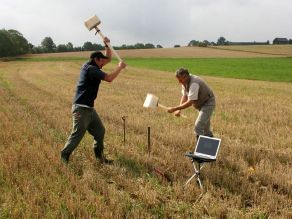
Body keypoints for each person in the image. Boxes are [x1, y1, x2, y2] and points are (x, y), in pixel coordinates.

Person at [61, 37, 126, 164]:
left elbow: (108, 58)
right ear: (97, 59)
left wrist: (107, 45)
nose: (104, 64)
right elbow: (109, 78)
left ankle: (99, 158)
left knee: (100, 131)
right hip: (81, 108)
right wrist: (119, 68)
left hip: (89, 108)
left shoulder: (91, 64)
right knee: (77, 134)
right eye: (102, 62)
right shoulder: (91, 70)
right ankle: (65, 154)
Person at [167, 68, 215, 139]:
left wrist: (174, 108)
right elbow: (185, 96)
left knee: (198, 127)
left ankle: (199, 149)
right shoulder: (185, 82)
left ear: (185, 76)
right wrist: (179, 110)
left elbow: (190, 102)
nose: (179, 82)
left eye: (180, 80)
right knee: (206, 130)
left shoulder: (194, 83)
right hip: (200, 105)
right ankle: (210, 146)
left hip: (208, 103)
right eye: (178, 80)